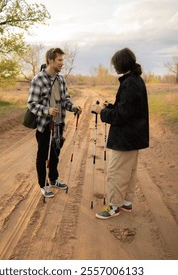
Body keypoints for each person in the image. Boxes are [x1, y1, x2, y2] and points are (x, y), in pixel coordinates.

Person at [91, 47, 149, 219]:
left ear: (122, 64)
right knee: (129, 171)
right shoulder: (135, 80)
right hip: (133, 137)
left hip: (126, 138)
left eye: (115, 64)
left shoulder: (130, 83)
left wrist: (101, 112)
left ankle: (114, 207)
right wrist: (108, 107)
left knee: (116, 173)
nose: (114, 67)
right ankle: (126, 203)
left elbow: (121, 115)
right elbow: (126, 109)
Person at [27, 47, 82, 198]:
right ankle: (43, 185)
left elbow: (65, 100)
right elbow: (31, 104)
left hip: (59, 124)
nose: (62, 63)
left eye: (62, 60)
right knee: (43, 155)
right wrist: (47, 110)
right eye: (59, 60)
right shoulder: (38, 79)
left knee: (55, 154)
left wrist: (73, 107)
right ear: (50, 60)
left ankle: (53, 179)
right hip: (45, 125)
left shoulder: (61, 79)